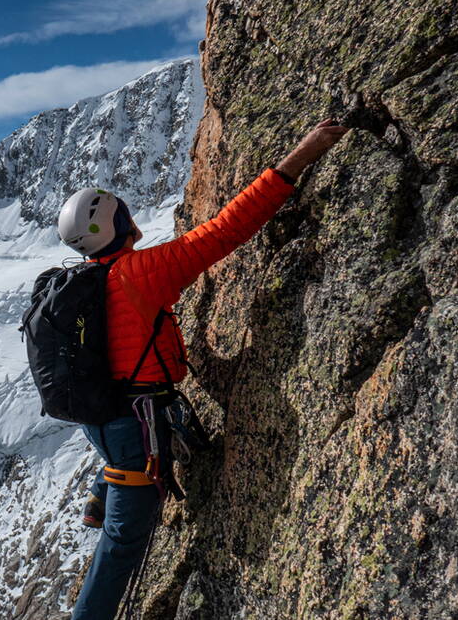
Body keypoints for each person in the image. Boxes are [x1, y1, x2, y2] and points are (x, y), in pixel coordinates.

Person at [56, 119, 351, 619]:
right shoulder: (143, 273)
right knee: (124, 542)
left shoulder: (81, 288)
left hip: (102, 418)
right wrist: (302, 156)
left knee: (125, 445)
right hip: (135, 426)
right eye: (122, 212)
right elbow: (226, 230)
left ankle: (101, 490)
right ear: (113, 225)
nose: (130, 216)